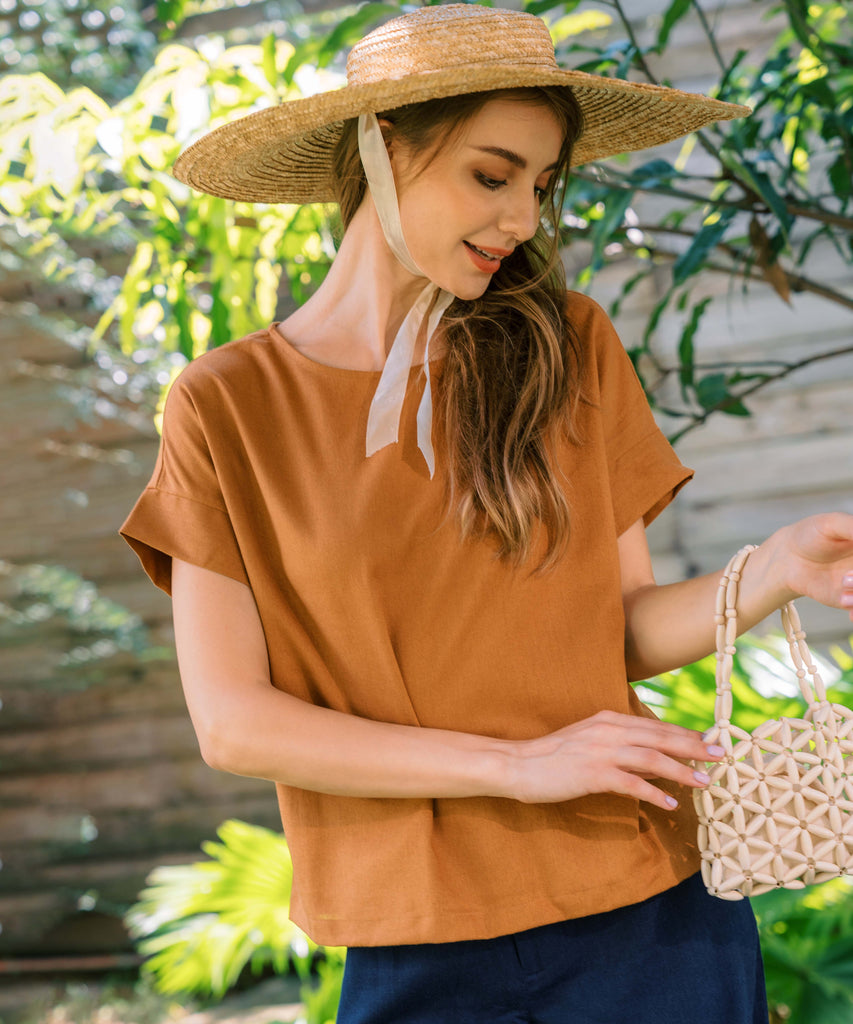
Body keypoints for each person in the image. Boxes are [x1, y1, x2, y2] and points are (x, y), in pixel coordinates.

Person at [120, 6, 853, 1022]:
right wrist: (518, 766)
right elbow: (236, 724)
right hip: (409, 938)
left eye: (542, 187)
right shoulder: (227, 407)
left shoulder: (568, 344)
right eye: (491, 174)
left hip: (645, 914)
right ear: (380, 149)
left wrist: (771, 567)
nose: (522, 220)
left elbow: (624, 630)